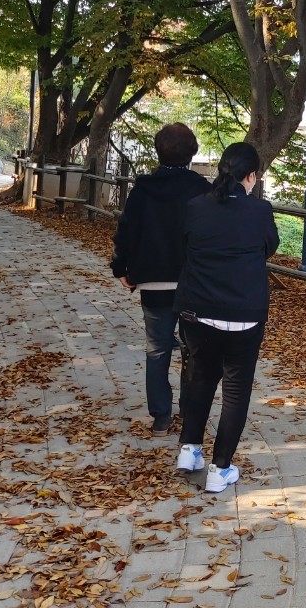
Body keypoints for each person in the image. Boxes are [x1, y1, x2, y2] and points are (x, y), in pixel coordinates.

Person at [173, 142, 279, 492]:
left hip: (198, 311)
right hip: (244, 313)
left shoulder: (195, 206)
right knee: (235, 390)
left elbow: (184, 245)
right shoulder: (259, 210)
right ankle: (220, 469)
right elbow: (269, 247)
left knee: (200, 377)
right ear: (251, 176)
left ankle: (189, 450)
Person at [110, 123, 212, 436]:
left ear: (158, 151)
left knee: (157, 349)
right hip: (192, 282)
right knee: (193, 350)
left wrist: (121, 268)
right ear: (192, 152)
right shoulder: (201, 189)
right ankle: (190, 411)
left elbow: (127, 231)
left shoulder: (143, 189)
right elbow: (210, 235)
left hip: (153, 280)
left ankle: (161, 416)